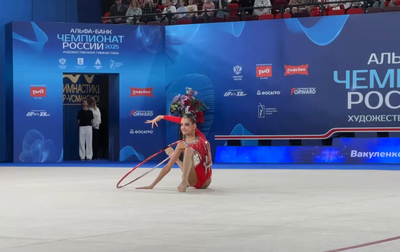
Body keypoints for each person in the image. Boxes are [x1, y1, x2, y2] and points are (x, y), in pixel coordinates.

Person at [136, 112, 212, 192]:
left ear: (194, 126)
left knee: (188, 149)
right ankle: (184, 179)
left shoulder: (201, 139)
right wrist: (151, 185)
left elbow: (180, 120)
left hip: (206, 181)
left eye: (186, 125)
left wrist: (161, 116)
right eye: (181, 125)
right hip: (193, 180)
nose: (183, 127)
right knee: (185, 148)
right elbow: (168, 167)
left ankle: (174, 157)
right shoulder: (182, 144)